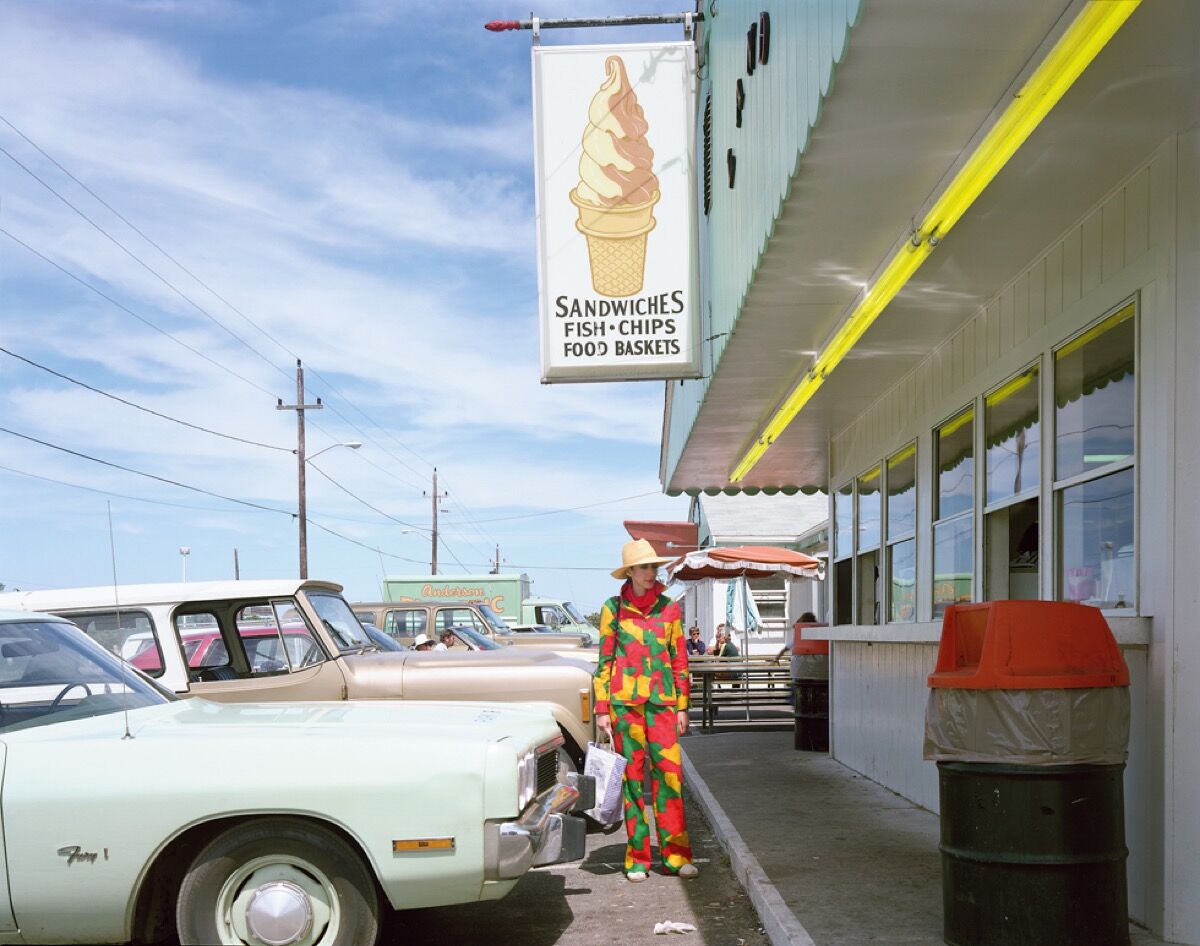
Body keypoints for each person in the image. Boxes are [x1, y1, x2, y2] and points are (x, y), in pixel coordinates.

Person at [595, 538, 698, 882]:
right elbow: (604, 662)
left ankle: (676, 856)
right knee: (632, 782)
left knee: (670, 778)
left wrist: (682, 706)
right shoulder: (613, 609)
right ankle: (637, 858)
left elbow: (679, 659)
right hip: (625, 708)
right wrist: (602, 709)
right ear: (630, 572)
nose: (651, 572)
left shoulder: (669, 608)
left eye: (653, 566)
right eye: (643, 567)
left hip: (663, 707)